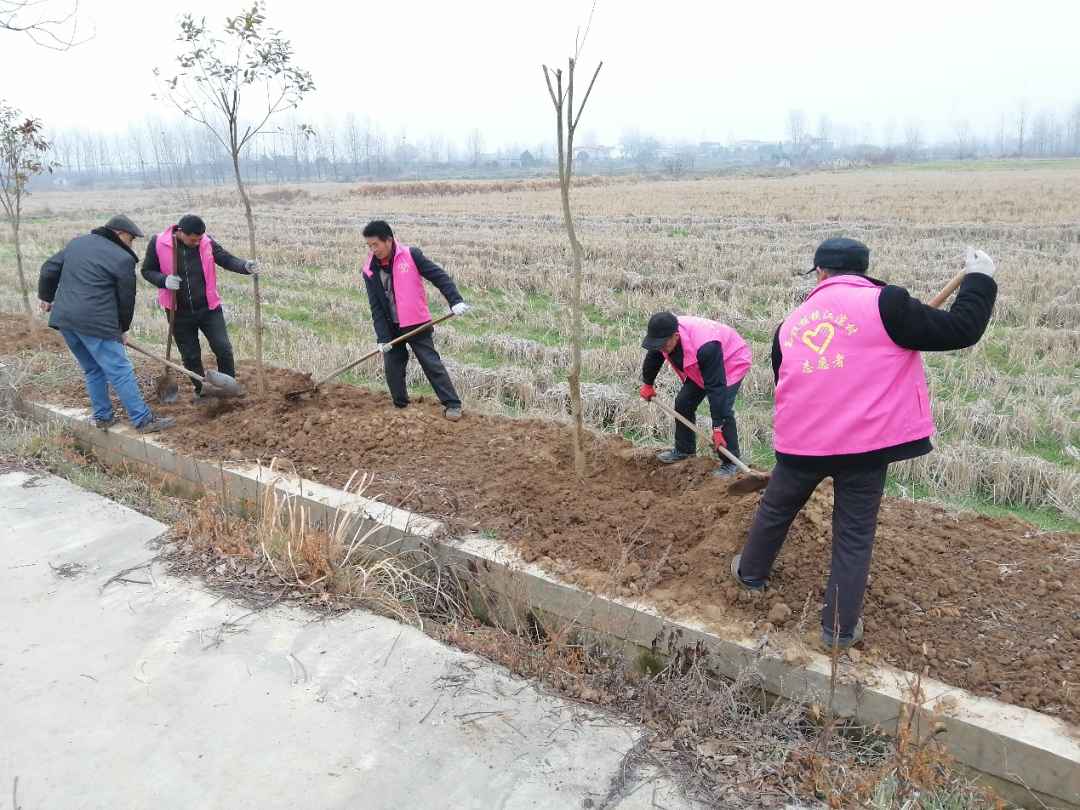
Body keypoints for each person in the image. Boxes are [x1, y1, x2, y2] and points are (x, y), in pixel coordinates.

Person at [732, 238, 998, 649]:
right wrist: (979, 280)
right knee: (853, 534)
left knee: (776, 509)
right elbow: (961, 329)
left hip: (802, 442)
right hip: (863, 447)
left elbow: (785, 377)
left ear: (820, 273)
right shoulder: (887, 304)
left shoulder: (791, 323)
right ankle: (837, 629)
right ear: (862, 269)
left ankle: (749, 576)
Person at [37, 215, 175, 434]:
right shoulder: (122, 258)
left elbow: (48, 269)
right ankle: (142, 419)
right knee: (121, 371)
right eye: (131, 239)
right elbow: (126, 299)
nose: (132, 244)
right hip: (96, 322)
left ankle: (103, 417)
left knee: (93, 369)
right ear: (119, 234)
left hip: (65, 319)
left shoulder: (77, 243)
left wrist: (46, 297)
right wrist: (122, 329)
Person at [140, 214, 259, 400]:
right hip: (178, 312)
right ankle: (203, 391)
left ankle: (228, 389)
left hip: (209, 309)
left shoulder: (206, 242)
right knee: (191, 356)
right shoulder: (158, 242)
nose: (197, 243)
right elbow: (147, 270)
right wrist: (164, 280)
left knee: (223, 348)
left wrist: (245, 266)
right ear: (180, 232)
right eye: (192, 239)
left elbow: (226, 259)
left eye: (199, 239)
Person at [361, 220, 470, 421]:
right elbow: (375, 306)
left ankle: (452, 404)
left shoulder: (411, 256)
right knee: (393, 368)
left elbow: (439, 277)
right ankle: (401, 407)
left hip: (416, 322)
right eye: (369, 245)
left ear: (389, 240)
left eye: (376, 244)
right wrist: (382, 338)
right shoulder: (369, 269)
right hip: (390, 326)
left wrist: (455, 300)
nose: (372, 249)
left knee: (431, 363)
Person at [639, 312, 752, 476]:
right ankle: (684, 449)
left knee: (724, 410)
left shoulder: (706, 347)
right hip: (701, 362)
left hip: (730, 359)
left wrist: (717, 428)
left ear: (676, 336)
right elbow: (653, 357)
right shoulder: (664, 336)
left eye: (663, 345)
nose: (660, 348)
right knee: (683, 402)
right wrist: (648, 384)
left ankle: (731, 461)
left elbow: (715, 386)